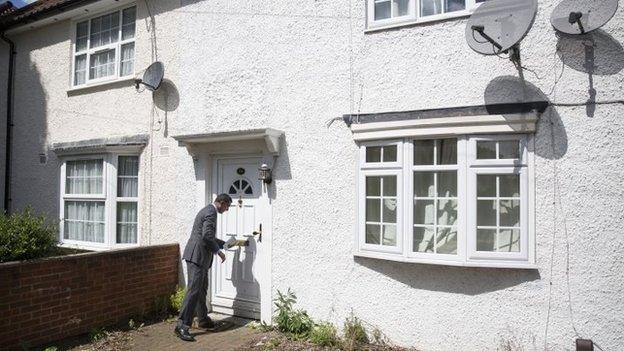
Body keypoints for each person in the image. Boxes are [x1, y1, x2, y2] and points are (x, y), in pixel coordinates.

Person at [174, 193, 232, 342]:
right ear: (222, 202)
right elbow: (206, 236)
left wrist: (224, 244)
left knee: (202, 289)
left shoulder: (207, 210)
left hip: (199, 257)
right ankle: (181, 325)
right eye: (227, 206)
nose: (227, 210)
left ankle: (203, 319)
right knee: (194, 291)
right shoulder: (211, 212)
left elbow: (206, 236)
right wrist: (219, 252)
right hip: (197, 257)